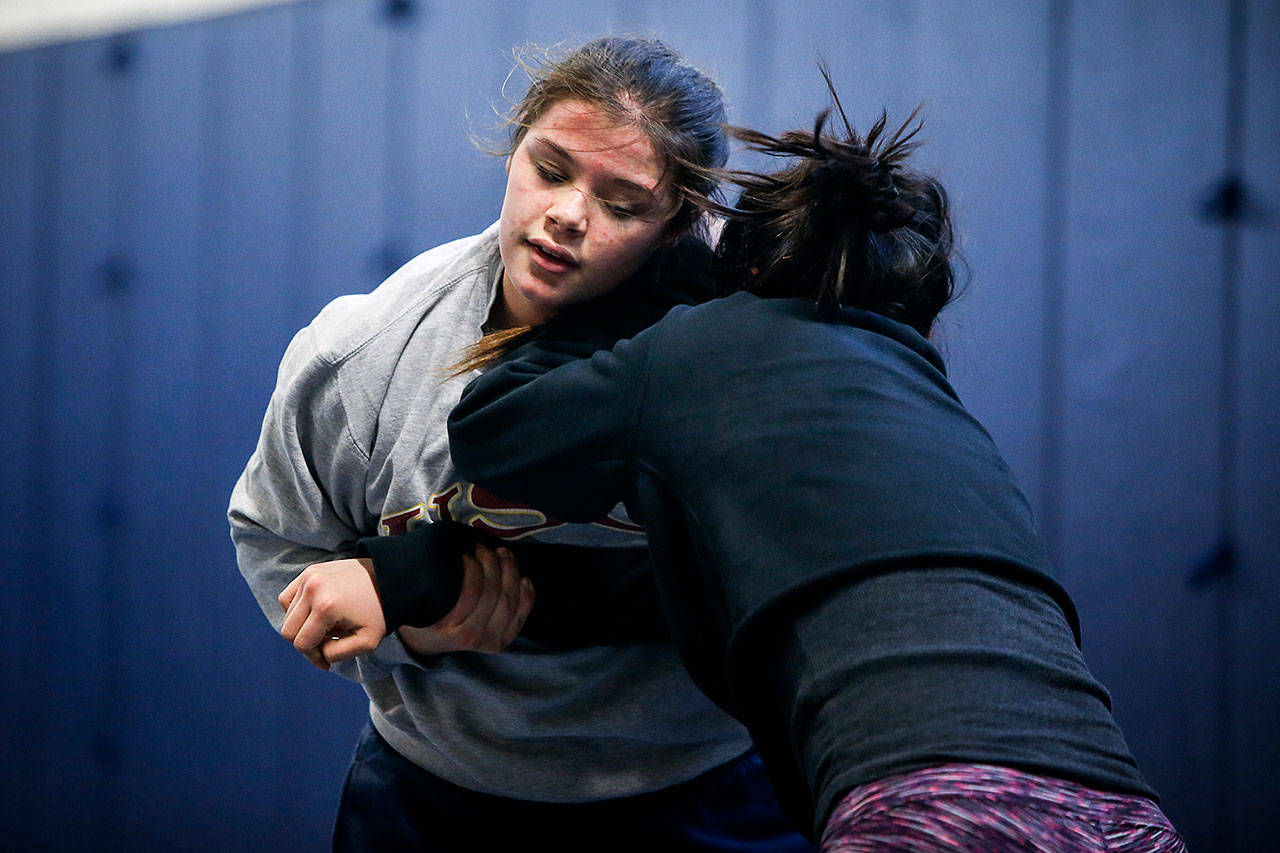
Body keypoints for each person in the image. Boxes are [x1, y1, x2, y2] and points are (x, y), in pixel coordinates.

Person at [427, 90, 1189, 850]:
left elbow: (490, 431)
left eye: (628, 209)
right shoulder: (931, 395)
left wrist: (660, 282)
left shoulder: (707, 339)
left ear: (741, 272)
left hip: (927, 802)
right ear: (918, 317)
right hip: (1122, 802)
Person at [229, 36, 811, 852]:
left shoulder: (749, 366)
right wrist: (413, 627)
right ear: (513, 151)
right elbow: (276, 537)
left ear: (679, 225)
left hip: (703, 793)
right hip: (435, 797)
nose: (568, 214)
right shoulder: (364, 356)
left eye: (622, 203)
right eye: (551, 168)